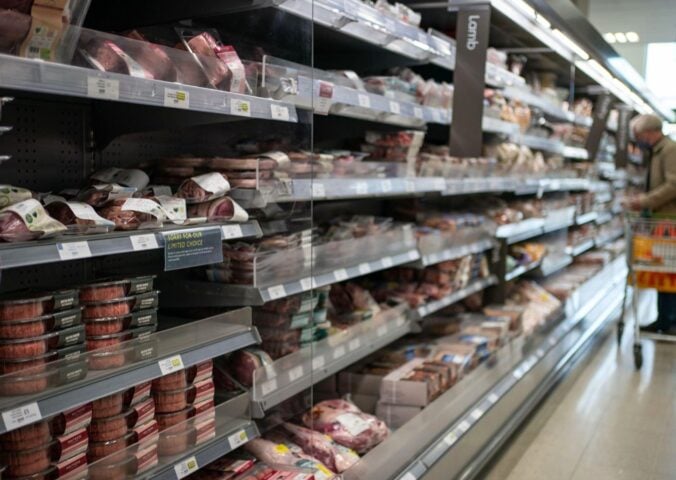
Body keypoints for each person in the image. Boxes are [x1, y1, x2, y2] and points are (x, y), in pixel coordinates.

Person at [624, 114, 676, 334]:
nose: (638, 140)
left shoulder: (670, 150)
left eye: (638, 135)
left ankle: (670, 320)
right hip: (661, 220)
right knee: (663, 271)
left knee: (670, 271)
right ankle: (664, 319)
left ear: (649, 133)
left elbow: (673, 185)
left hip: (670, 220)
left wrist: (642, 201)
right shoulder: (657, 151)